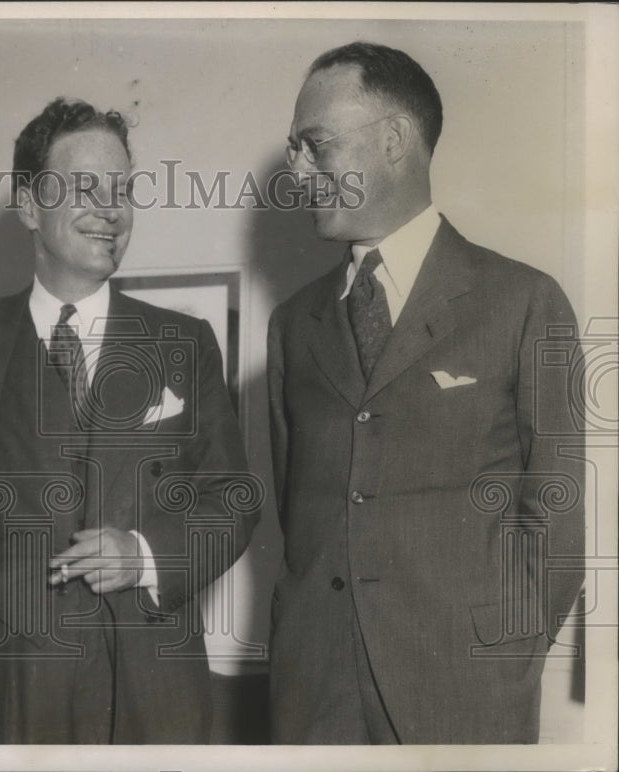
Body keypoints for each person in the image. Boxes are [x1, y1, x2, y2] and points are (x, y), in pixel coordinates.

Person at [0, 97, 259, 744]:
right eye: (86, 187)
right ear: (28, 206)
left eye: (124, 189)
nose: (112, 209)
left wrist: (145, 554)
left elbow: (235, 499)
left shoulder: (184, 345)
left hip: (149, 702)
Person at [266, 42, 585, 744]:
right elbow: (301, 518)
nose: (296, 171)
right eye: (293, 150)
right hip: (312, 702)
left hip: (463, 702)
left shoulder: (523, 301)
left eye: (313, 144)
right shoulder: (292, 325)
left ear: (393, 140)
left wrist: (502, 667)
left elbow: (556, 525)